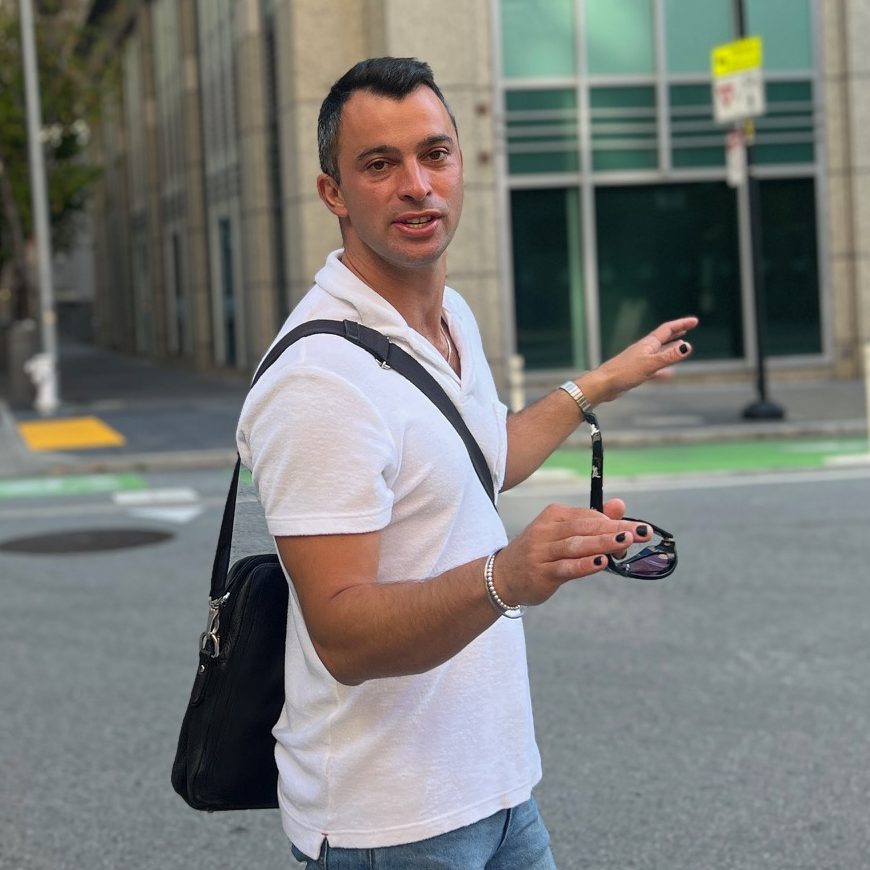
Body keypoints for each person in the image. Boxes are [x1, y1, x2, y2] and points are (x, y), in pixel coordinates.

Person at [236, 56, 698, 869]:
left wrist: (600, 383)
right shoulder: (319, 382)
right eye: (380, 164)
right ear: (334, 194)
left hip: (500, 789)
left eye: (435, 153)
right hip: (393, 824)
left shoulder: (448, 315)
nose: (417, 184)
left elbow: (485, 457)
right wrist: (507, 576)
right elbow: (343, 633)